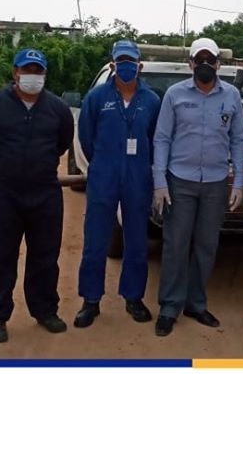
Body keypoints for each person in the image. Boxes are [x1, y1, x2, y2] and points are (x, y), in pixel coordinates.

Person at [0, 48, 74, 343]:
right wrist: (3, 165)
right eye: (27, 70)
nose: (32, 76)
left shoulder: (58, 108)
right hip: (6, 193)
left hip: (46, 192)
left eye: (38, 71)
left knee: (45, 256)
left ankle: (45, 310)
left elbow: (62, 143)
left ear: (45, 75)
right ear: (15, 72)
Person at [152, 37, 243, 337]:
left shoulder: (231, 95)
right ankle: (169, 306)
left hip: (216, 182)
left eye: (211, 60)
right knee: (176, 245)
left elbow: (238, 140)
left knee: (206, 245)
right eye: (200, 59)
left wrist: (239, 182)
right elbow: (162, 138)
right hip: (179, 181)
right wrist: (159, 183)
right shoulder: (175, 94)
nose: (205, 64)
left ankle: (196, 303)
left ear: (219, 64)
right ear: (190, 63)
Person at [73, 40, 161, 328]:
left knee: (136, 240)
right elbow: (86, 136)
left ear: (139, 65)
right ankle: (90, 300)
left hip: (138, 176)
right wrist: (102, 163)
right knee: (96, 239)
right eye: (121, 61)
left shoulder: (151, 100)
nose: (126, 66)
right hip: (104, 175)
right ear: (112, 65)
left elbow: (155, 138)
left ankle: (133, 297)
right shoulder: (96, 97)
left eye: (130, 61)